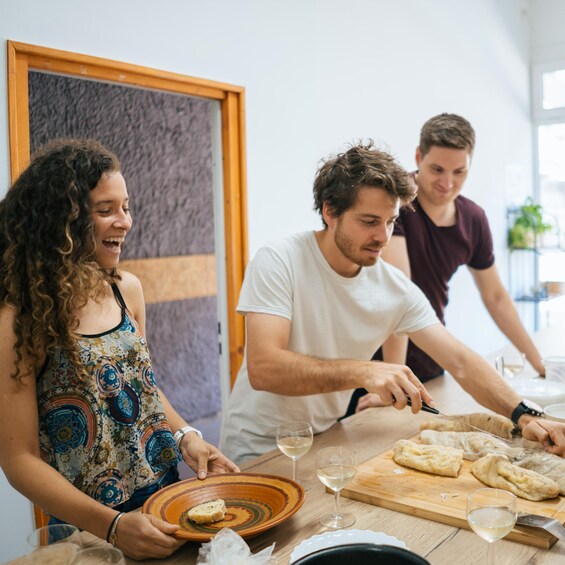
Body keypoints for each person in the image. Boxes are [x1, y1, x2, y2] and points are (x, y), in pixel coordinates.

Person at [219, 141, 565, 465]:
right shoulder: (279, 260)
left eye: (391, 221)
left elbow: (459, 361)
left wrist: (524, 414)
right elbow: (265, 368)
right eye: (369, 221)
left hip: (323, 439)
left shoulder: (393, 286)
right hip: (257, 450)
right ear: (329, 212)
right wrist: (365, 371)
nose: (383, 237)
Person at [0, 139, 239, 560]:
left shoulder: (126, 289)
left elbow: (142, 389)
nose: (124, 222)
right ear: (62, 221)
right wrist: (111, 526)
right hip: (88, 529)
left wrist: (187, 437)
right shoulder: (20, 317)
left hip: (164, 503)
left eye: (126, 207)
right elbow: (19, 459)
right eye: (105, 210)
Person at [349, 113, 545, 415]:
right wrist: (393, 377)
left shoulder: (473, 219)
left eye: (459, 172)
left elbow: (495, 296)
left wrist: (538, 362)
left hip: (429, 362)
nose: (447, 183)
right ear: (418, 156)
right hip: (375, 367)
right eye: (437, 169)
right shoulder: (394, 203)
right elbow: (398, 295)